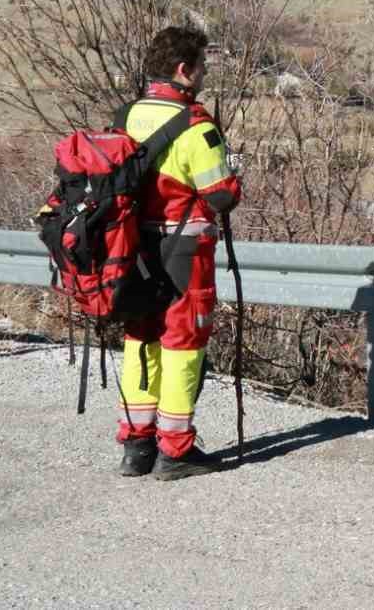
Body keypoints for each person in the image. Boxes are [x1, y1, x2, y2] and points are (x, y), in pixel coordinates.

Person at [115, 25, 242, 481]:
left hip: (132, 248)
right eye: (202, 66)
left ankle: (136, 446)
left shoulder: (126, 116)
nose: (204, 74)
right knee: (183, 343)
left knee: (140, 338)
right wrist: (232, 171)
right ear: (184, 69)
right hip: (183, 249)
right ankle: (176, 450)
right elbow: (222, 195)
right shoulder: (196, 126)